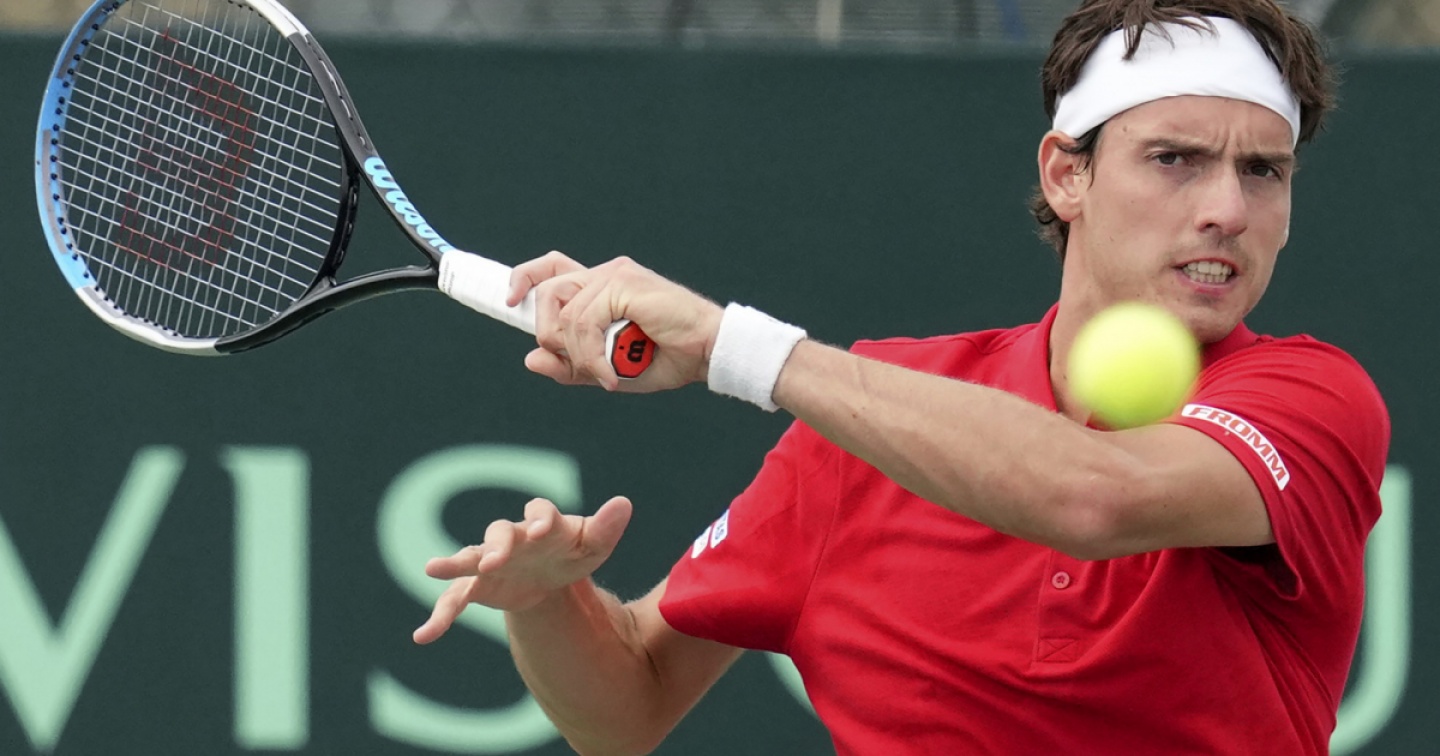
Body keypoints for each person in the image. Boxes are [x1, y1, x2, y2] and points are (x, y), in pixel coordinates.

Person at [413, 0, 1390, 753]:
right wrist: (547, 602)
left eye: (1263, 171)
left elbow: (1093, 497)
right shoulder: (863, 423)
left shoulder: (1314, 402)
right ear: (1067, 175)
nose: (1228, 209)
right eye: (1175, 159)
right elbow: (628, 705)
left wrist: (735, 349)